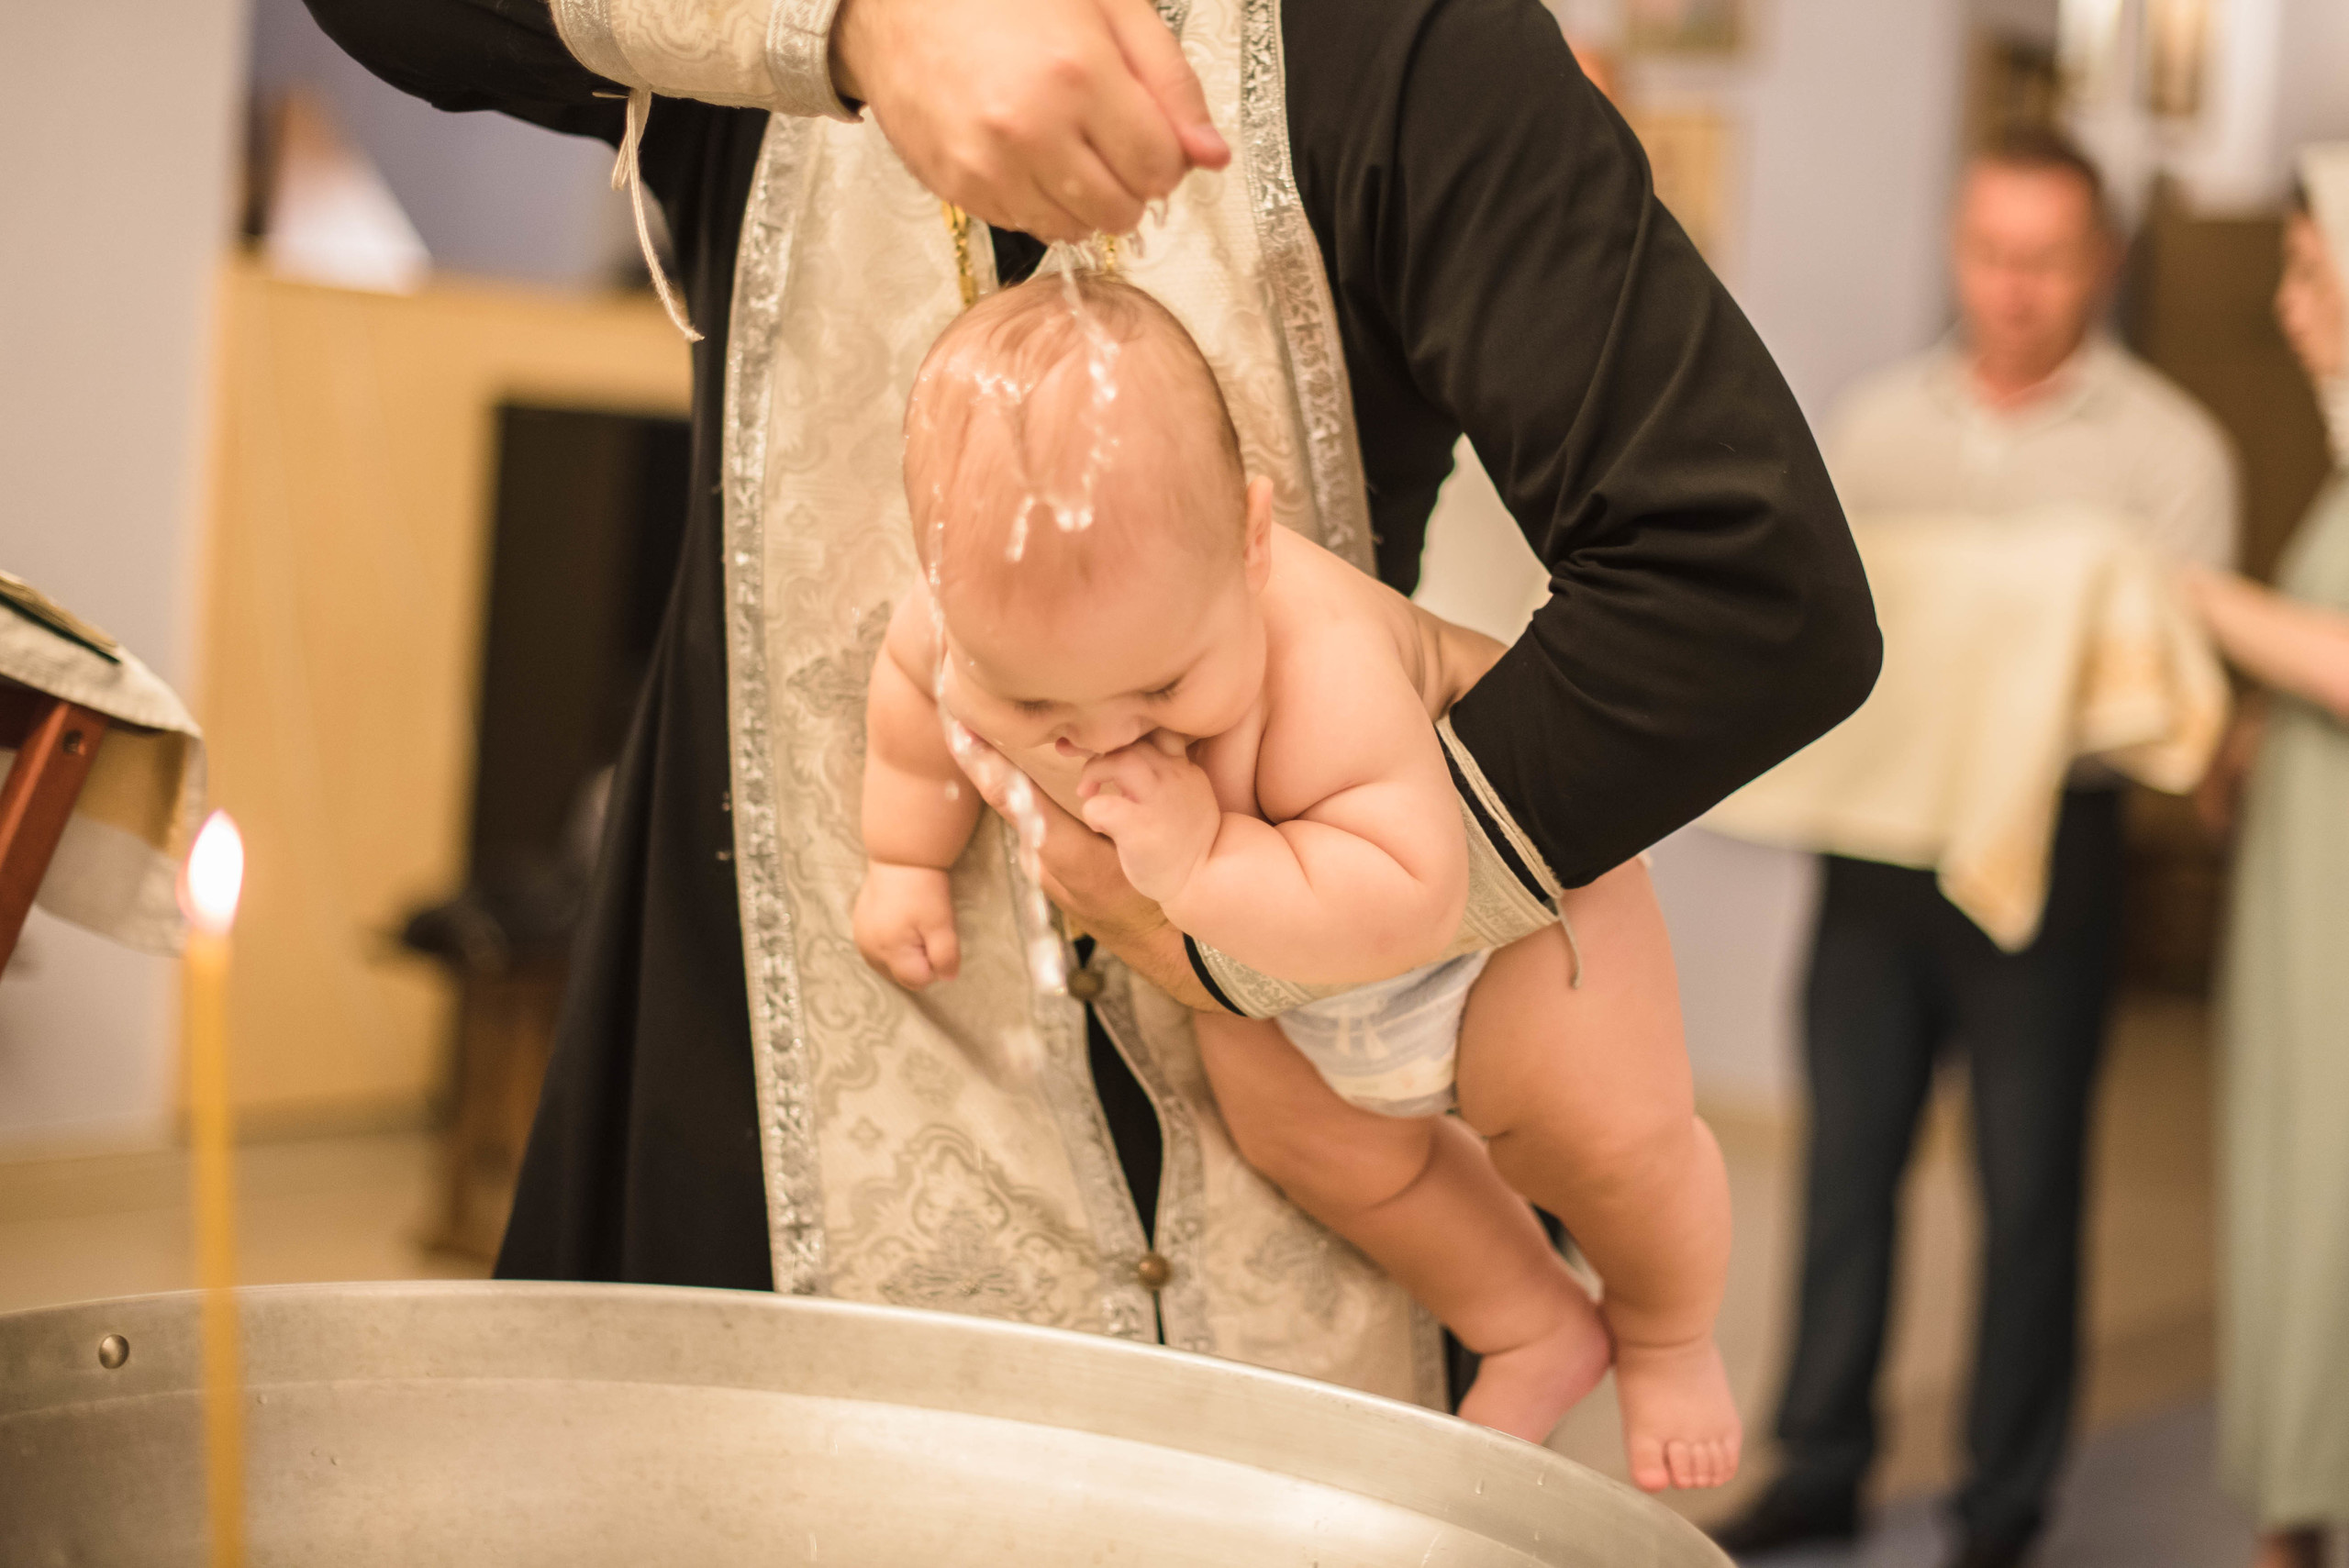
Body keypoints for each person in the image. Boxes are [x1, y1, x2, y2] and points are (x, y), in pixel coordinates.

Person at [306, 0, 1877, 1398]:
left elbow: (1750, 591)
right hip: (760, 1104)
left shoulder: (1404, 40)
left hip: (1273, 1187)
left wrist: (1266, 923)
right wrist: (866, 23)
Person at [857, 274, 1737, 1485]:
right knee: (1317, 1146)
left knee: (1606, 1143)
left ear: (1252, 543)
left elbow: (1417, 895)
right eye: (1038, 707)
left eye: (1162, 688)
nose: (1106, 740)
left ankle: (1667, 1333)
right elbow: (914, 700)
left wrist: (1201, 859)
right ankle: (1530, 1319)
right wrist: (905, 855)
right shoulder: (962, 634)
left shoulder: (1323, 662)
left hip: (1502, 939)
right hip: (1273, 979)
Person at [1713, 126, 2239, 1567]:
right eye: (1993, 254)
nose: (2015, 288)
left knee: (2030, 1187)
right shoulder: (1875, 429)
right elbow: (1821, 634)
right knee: (1846, 1169)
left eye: (2048, 260)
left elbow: (2174, 695)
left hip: (2053, 855)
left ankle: (2004, 1504)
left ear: (2102, 263)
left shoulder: (2171, 454)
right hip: (1878, 854)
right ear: (1958, 250)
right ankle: (1820, 1463)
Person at [2179, 144, 2349, 1568]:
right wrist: (2242, 737)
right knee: (2295, 1189)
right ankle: (2293, 1504)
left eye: (2312, 270)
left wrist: (2186, 591)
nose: (2290, 305)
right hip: (2305, 900)